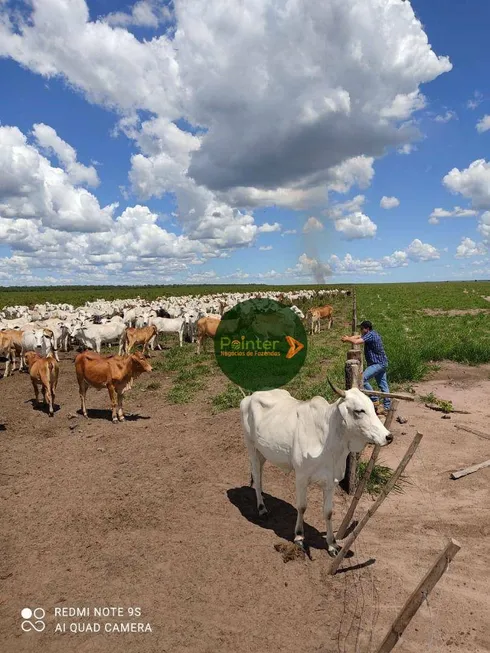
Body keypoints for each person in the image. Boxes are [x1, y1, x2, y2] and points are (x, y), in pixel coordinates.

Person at [341, 320, 391, 415]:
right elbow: (358, 337)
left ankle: (374, 399)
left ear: (366, 329)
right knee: (383, 384)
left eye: (362, 328)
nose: (360, 330)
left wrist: (348, 339)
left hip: (378, 364)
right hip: (381, 363)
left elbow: (357, 341)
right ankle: (387, 407)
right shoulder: (371, 334)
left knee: (362, 379)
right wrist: (348, 337)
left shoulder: (370, 335)